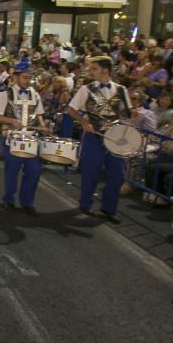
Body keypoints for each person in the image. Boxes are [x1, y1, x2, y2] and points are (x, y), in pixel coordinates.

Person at [67, 56, 134, 222]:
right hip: (93, 137)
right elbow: (71, 109)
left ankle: (109, 209)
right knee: (90, 173)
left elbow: (127, 114)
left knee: (117, 175)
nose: (90, 72)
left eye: (94, 68)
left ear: (105, 70)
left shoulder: (121, 90)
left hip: (114, 138)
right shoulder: (86, 89)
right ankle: (85, 204)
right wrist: (83, 122)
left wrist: (131, 114)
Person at [0, 65, 47, 215]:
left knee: (34, 171)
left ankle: (27, 202)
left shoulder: (35, 94)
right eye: (25, 77)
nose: (28, 81)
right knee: (12, 172)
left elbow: (39, 113)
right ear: (15, 77)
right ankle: (9, 199)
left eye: (30, 78)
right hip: (12, 140)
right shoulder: (6, 94)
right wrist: (11, 121)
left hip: (31, 140)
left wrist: (42, 126)